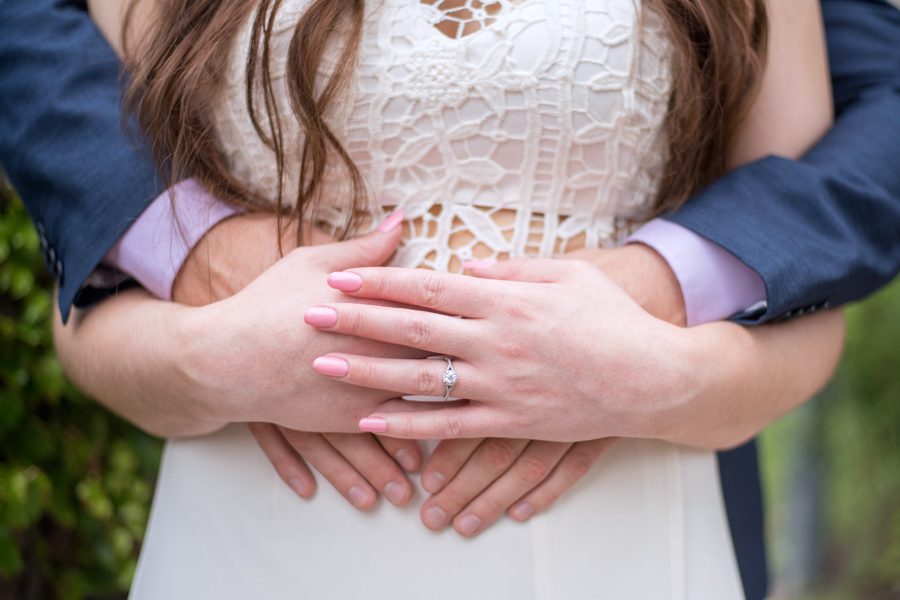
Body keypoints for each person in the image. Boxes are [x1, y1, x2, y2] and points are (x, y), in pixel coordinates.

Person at [0, 1, 897, 599]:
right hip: (259, 531)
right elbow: (90, 314)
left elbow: (801, 291)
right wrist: (213, 361)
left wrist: (662, 377)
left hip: (614, 536)